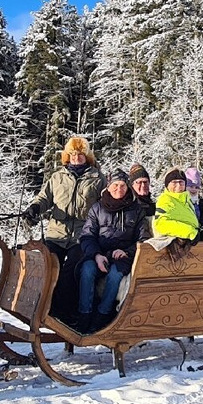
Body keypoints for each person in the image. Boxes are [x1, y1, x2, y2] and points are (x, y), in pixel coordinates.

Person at [76, 169, 150, 333]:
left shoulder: (136, 210)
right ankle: (84, 316)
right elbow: (87, 236)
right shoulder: (97, 208)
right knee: (87, 271)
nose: (119, 189)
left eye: (122, 185)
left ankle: (102, 318)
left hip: (123, 256)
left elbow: (142, 238)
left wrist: (128, 252)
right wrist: (96, 255)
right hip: (98, 254)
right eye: (115, 185)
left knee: (115, 275)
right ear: (108, 187)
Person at [23, 136, 104, 266]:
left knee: (72, 270)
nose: (76, 158)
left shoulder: (98, 178)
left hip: (82, 235)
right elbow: (45, 198)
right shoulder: (57, 176)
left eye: (80, 154)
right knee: (48, 268)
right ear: (67, 156)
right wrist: (35, 207)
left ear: (87, 156)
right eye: (72, 154)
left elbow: (104, 206)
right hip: (56, 234)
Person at [152, 168, 200, 241]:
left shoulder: (186, 199)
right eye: (174, 182)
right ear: (167, 185)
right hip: (175, 244)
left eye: (181, 182)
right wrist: (190, 232)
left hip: (190, 241)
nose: (178, 185)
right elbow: (161, 224)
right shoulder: (166, 199)